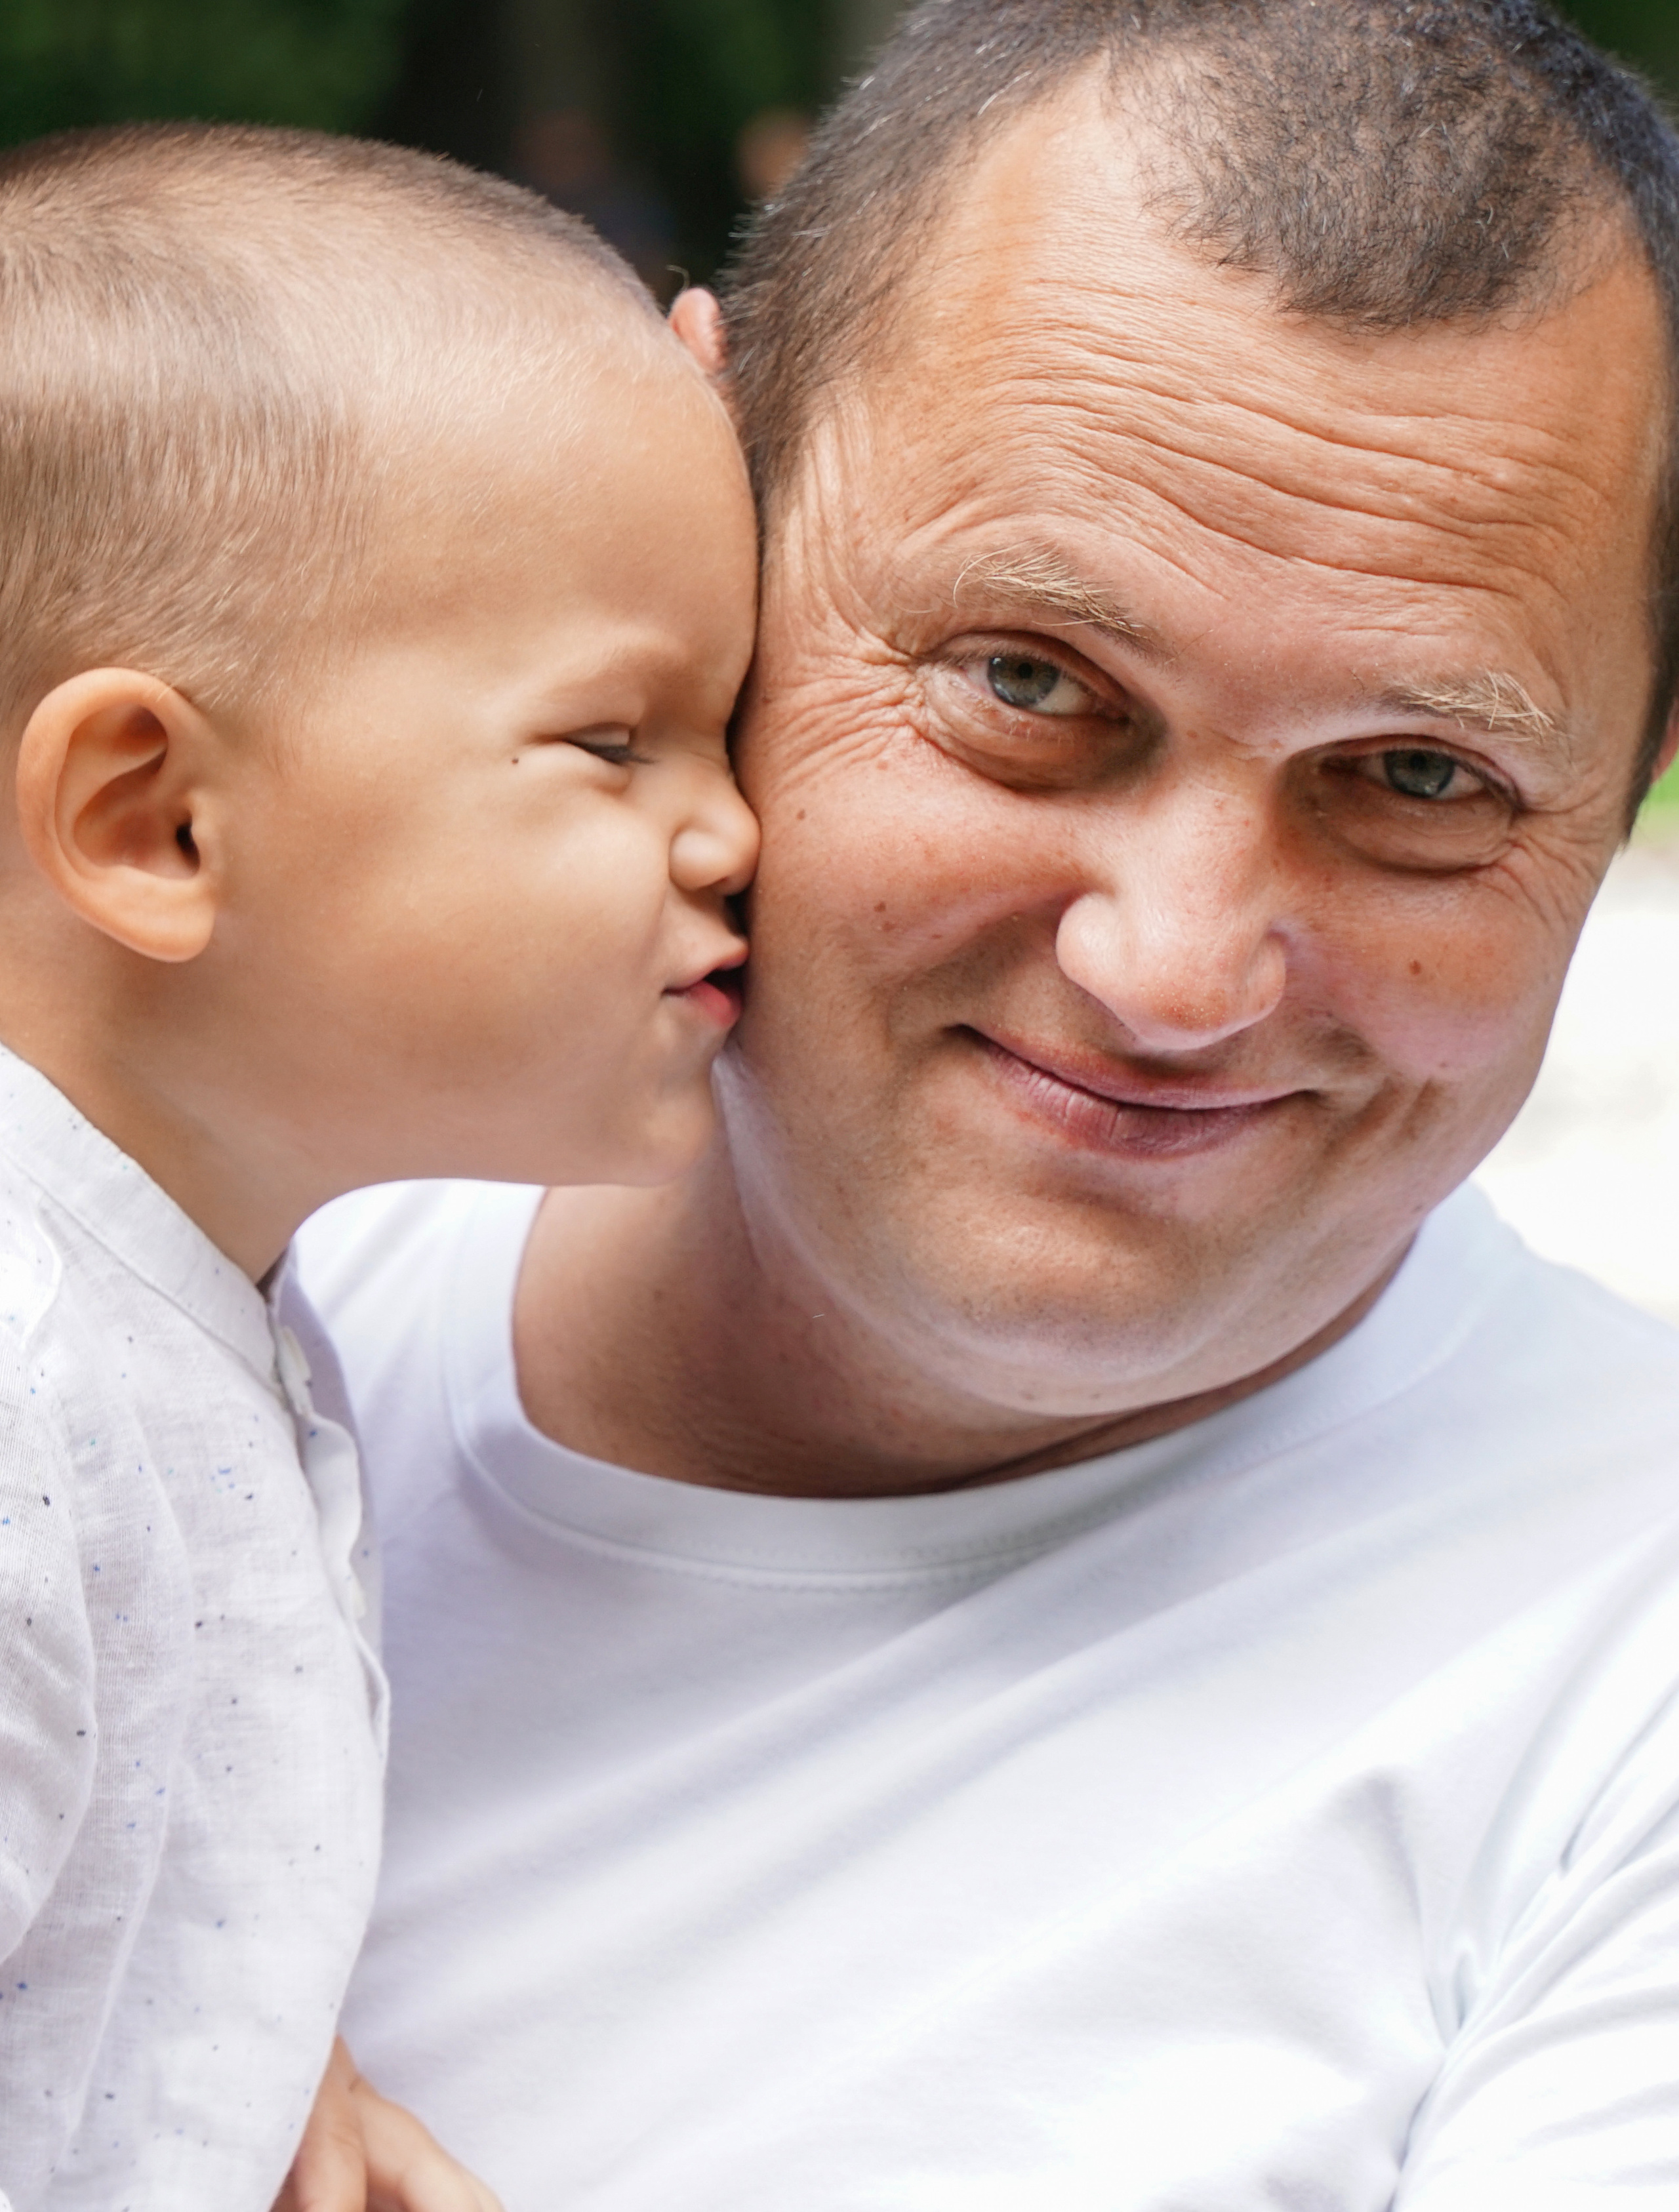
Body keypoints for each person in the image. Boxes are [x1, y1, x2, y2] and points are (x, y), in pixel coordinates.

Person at [298, 0, 1679, 2203]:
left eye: (1420, 781)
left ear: (1621, 802)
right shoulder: (167, 1269)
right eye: (1031, 687)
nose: (1174, 971)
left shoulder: (1629, 1689)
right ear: (696, 509)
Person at [0, 124, 758, 2211]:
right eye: (619, 742)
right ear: (154, 824)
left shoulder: (177, 1289)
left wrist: (204, 2030)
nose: (736, 833)